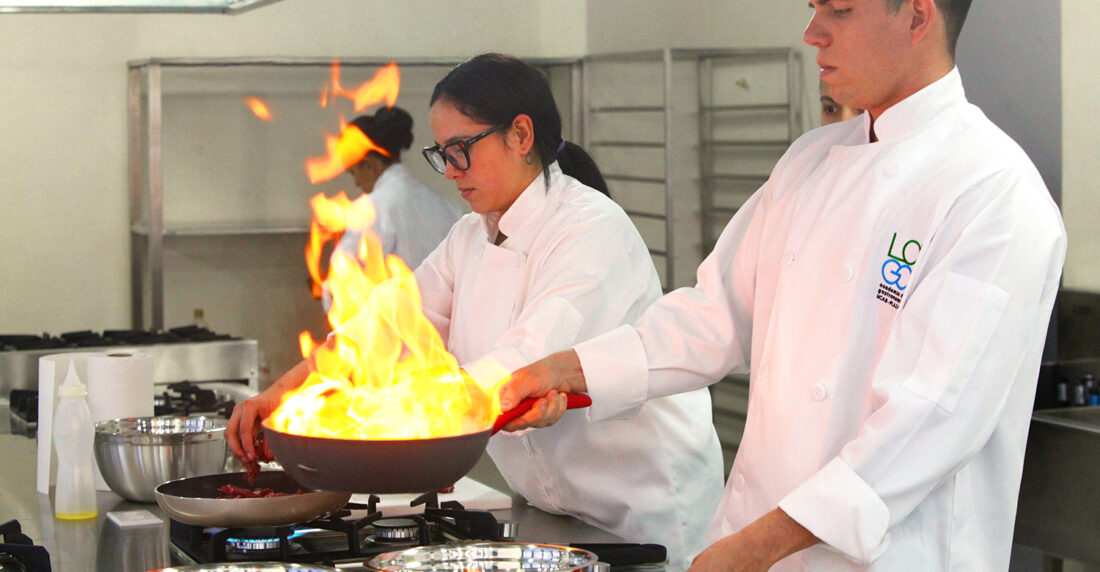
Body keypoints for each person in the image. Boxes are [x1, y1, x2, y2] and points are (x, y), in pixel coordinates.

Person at [499, 1, 1067, 571]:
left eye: (839, 11)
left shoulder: (993, 192)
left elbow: (928, 423)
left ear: (917, 17)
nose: (812, 33)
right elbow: (712, 314)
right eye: (814, 8)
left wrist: (756, 548)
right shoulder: (808, 161)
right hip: (757, 535)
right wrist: (567, 369)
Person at [228, 53, 724, 571]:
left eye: (461, 149)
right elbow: (388, 327)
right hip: (550, 508)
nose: (450, 171)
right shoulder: (470, 236)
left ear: (520, 135)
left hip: (642, 513)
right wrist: (282, 395)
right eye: (441, 154)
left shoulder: (591, 230)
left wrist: (367, 425)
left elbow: (523, 362)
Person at [334, 106, 462, 273]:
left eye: (354, 173)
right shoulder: (447, 206)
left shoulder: (371, 208)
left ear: (369, 164)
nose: (357, 183)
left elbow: (343, 274)